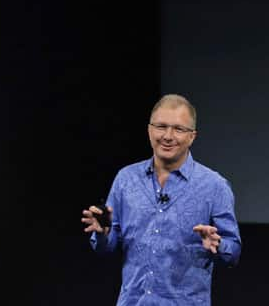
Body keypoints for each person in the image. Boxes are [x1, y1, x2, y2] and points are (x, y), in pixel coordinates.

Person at [81, 94, 241, 305]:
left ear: (192, 136)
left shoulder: (214, 186)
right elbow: (107, 247)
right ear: (149, 130)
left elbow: (233, 251)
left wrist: (218, 245)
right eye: (161, 126)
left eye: (178, 129)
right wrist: (103, 234)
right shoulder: (126, 180)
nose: (168, 136)